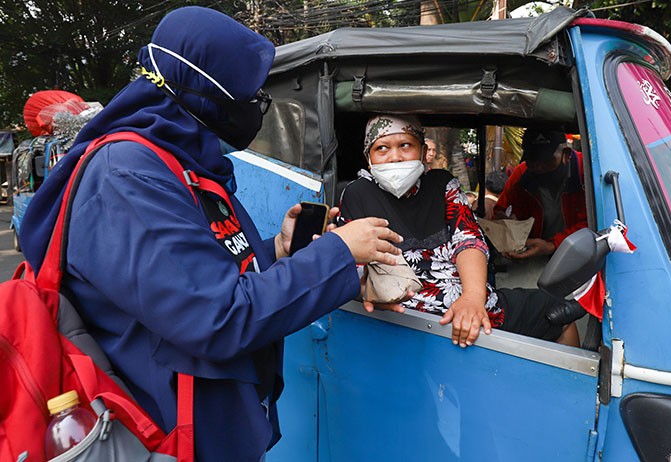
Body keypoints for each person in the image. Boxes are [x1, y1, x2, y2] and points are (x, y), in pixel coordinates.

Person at [19, 7, 404, 461]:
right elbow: (217, 317)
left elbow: (193, 273)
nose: (257, 105)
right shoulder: (126, 178)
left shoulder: (179, 162)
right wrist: (338, 252)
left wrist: (275, 250)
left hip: (208, 423)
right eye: (250, 94)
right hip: (159, 435)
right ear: (206, 92)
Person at [337, 115, 585, 348]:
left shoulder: (442, 184)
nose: (395, 157)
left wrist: (473, 297)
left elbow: (469, 240)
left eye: (405, 145)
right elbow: (352, 263)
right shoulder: (357, 194)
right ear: (367, 157)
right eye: (382, 148)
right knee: (559, 317)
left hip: (470, 302)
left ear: (423, 152)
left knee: (557, 311)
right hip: (398, 312)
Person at [493, 127, 587, 259]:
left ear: (566, 154)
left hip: (581, 254)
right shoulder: (521, 174)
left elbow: (594, 223)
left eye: (546, 160)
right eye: (532, 160)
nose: (538, 167)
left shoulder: (587, 172)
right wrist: (507, 229)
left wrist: (553, 245)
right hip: (533, 257)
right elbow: (499, 213)